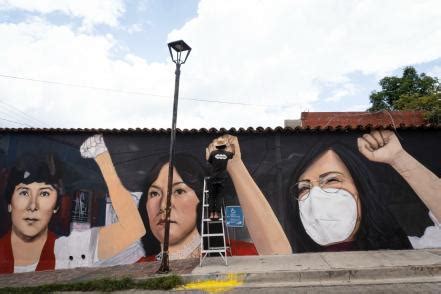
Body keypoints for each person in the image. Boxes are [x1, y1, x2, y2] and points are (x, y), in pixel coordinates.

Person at [0, 135, 145, 273]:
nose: (33, 206)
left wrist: (101, 156)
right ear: (10, 203)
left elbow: (133, 229)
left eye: (44, 194)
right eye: (24, 193)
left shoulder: (70, 250)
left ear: (56, 206)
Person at [285, 129, 441, 253]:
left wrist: (399, 158)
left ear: (362, 190)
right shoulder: (293, 263)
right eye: (304, 188)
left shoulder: (408, 251)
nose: (316, 196)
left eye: (332, 180)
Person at [206, 137, 234, 220]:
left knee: (211, 196)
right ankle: (217, 214)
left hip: (213, 177)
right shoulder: (227, 154)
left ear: (217, 146)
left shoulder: (213, 153)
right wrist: (231, 145)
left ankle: (211, 214)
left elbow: (209, 162)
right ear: (224, 146)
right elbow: (233, 154)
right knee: (219, 196)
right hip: (222, 178)